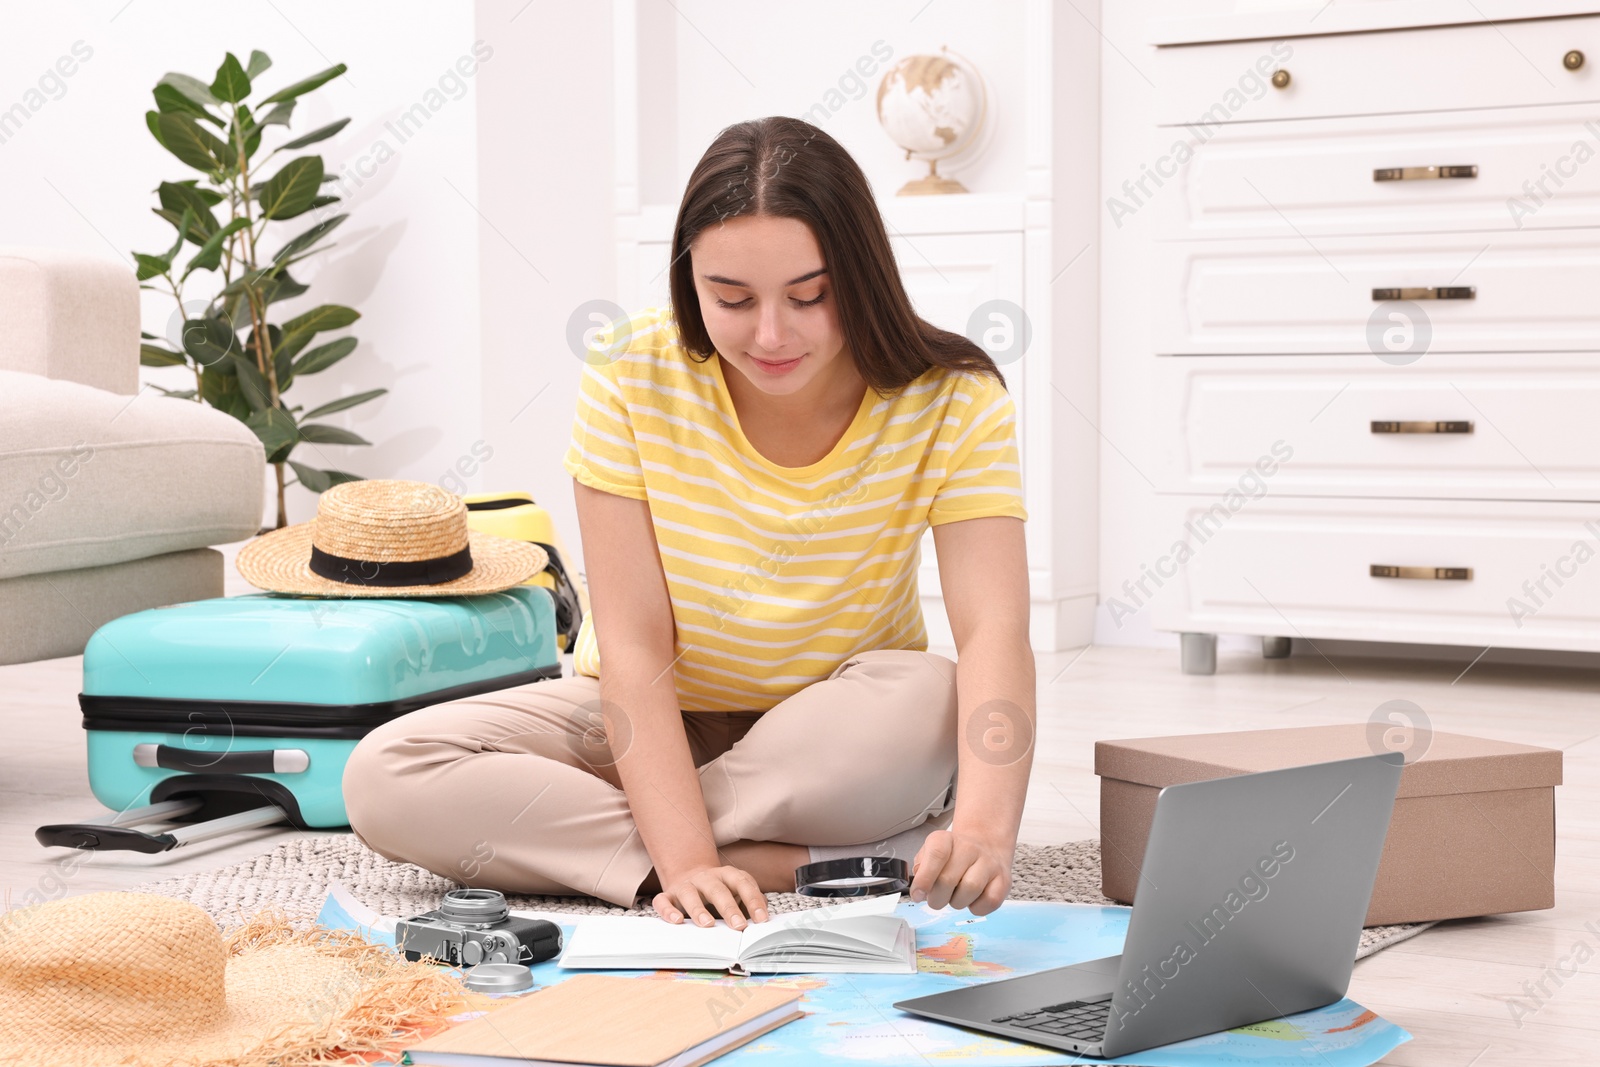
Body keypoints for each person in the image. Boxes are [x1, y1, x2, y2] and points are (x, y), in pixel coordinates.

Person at [343, 115, 1035, 932]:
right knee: (387, 773)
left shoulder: (951, 395)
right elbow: (635, 646)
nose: (771, 334)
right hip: (645, 718)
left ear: (864, 272)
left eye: (810, 295)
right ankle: (800, 858)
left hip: (835, 724)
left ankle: (614, 838)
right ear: (689, 280)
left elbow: (994, 628)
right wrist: (687, 864)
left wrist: (985, 832)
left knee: (929, 698)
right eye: (731, 299)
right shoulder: (630, 373)